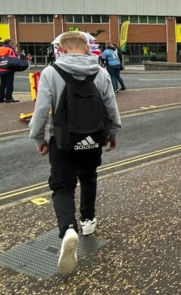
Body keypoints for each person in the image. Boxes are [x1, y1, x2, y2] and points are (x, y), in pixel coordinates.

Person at [28, 31, 121, 274]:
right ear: (87, 47)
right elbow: (111, 106)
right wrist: (112, 134)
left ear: (63, 48)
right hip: (93, 137)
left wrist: (38, 138)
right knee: (88, 176)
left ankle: (69, 228)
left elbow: (41, 110)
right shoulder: (100, 72)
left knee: (62, 185)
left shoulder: (51, 72)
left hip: (63, 140)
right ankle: (88, 221)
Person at [0, 39, 19, 103]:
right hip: (9, 68)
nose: (13, 45)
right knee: (9, 83)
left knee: (2, 84)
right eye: (12, 43)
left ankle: (0, 98)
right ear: (9, 43)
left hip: (1, 69)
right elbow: (15, 58)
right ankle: (8, 97)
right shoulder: (10, 49)